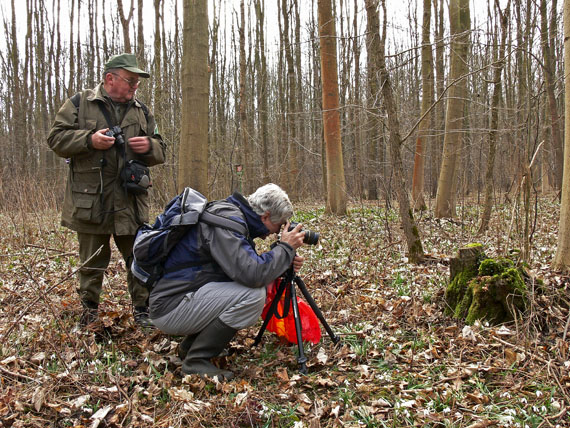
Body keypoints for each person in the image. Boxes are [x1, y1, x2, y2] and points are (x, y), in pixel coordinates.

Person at [47, 53, 166, 329]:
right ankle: (88, 314)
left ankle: (142, 311)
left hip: (130, 200)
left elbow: (161, 148)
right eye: (130, 80)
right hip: (91, 199)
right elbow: (56, 138)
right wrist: (89, 140)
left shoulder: (142, 111)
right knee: (91, 262)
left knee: (139, 258)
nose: (135, 86)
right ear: (110, 78)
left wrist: (148, 147)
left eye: (137, 81)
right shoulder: (80, 103)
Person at [149, 183, 306, 380]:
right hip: (170, 306)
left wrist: (284, 257)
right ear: (265, 216)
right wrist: (284, 249)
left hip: (182, 297)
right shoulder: (227, 222)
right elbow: (253, 274)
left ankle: (189, 348)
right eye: (279, 224)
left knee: (251, 290)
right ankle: (196, 361)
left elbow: (245, 267)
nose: (277, 232)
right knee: (253, 295)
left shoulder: (233, 217)